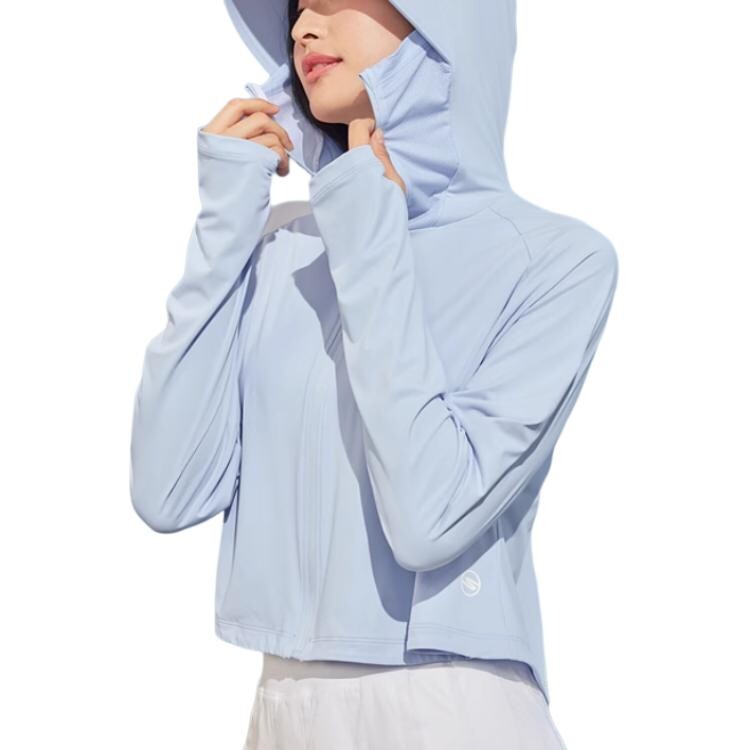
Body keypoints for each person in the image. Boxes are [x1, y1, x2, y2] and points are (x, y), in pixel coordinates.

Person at [129, 0, 618, 747]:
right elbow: (168, 493)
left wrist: (368, 231)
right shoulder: (283, 245)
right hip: (283, 710)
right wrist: (224, 227)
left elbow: (429, 520)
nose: (303, 27)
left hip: (449, 705)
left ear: (447, 20)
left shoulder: (556, 261)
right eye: (298, 7)